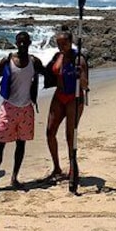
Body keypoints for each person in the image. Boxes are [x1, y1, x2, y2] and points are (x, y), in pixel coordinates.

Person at [0, 31, 46, 197]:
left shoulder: (34, 62)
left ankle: (14, 177)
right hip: (9, 108)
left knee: (21, 144)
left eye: (25, 42)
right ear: (16, 43)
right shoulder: (8, 61)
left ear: (29, 43)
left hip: (27, 109)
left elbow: (48, 73)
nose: (22, 45)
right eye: (19, 42)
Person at [43, 27, 89, 188]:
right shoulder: (58, 56)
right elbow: (49, 72)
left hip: (74, 98)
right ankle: (56, 167)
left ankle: (72, 168)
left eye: (64, 44)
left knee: (70, 136)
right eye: (58, 44)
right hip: (59, 95)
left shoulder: (79, 60)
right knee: (49, 132)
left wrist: (79, 74)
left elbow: (85, 85)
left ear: (71, 43)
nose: (61, 47)